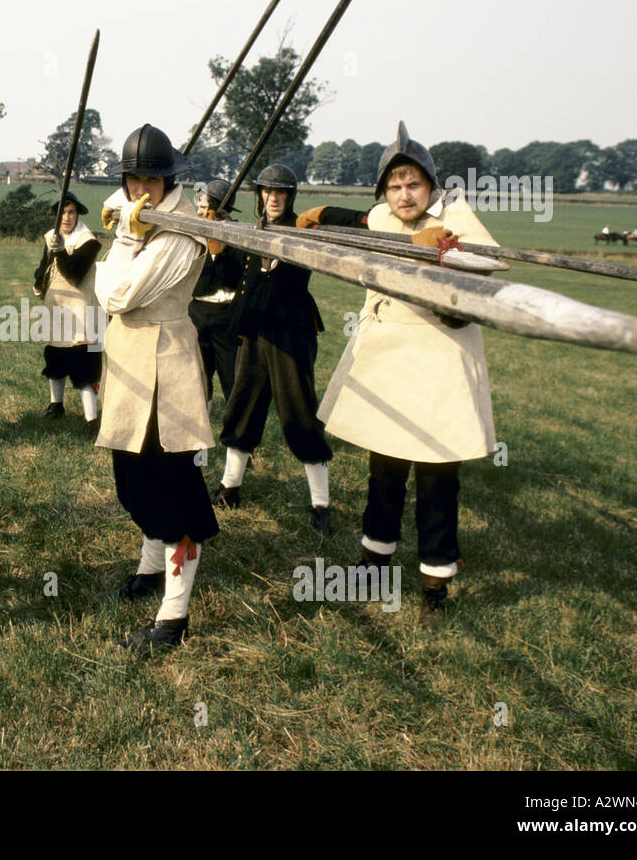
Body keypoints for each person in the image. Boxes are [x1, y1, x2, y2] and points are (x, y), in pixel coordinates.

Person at [314, 122, 498, 628]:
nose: (403, 194)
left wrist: (447, 253)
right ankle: (375, 564)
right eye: (394, 186)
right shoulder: (380, 215)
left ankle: (435, 586)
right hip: (387, 361)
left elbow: (485, 272)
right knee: (384, 470)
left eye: (412, 184)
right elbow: (360, 220)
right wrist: (319, 214)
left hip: (439, 366)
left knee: (437, 479)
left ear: (431, 186)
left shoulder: (456, 216)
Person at [96, 124, 218, 652]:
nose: (140, 191)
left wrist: (125, 236)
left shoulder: (180, 228)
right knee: (131, 479)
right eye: (132, 180)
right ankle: (150, 568)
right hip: (128, 358)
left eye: (151, 180)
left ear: (168, 181)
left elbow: (118, 293)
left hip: (167, 362)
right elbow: (108, 289)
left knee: (171, 488)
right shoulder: (139, 217)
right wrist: (128, 229)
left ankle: (174, 615)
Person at [209, 164, 333, 535]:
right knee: (242, 407)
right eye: (267, 191)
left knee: (298, 415)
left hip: (291, 333)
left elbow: (288, 279)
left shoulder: (301, 231)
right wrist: (217, 245)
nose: (273, 198)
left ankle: (321, 505)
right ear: (259, 194)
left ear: (290, 196)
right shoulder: (253, 230)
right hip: (255, 332)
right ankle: (230, 488)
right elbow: (234, 278)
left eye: (280, 192)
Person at [33, 192, 102, 439]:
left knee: (84, 366)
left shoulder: (89, 241)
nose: (66, 217)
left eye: (71, 212)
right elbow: (44, 267)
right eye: (62, 212)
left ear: (78, 215)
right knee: (55, 357)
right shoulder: (52, 238)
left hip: (82, 311)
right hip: (56, 307)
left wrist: (61, 251)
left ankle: (91, 420)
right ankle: (56, 405)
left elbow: (75, 275)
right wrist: (39, 283)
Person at [187, 178, 246, 404]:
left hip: (226, 313)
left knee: (231, 374)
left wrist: (219, 246)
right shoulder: (195, 232)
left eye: (204, 207)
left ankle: (236, 424)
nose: (199, 212)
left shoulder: (237, 234)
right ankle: (201, 414)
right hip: (199, 310)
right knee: (198, 372)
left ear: (218, 207)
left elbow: (233, 274)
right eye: (199, 207)